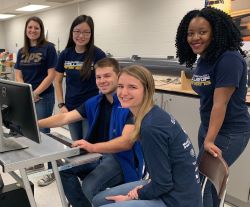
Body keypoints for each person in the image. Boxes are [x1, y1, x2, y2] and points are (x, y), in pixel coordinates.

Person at [74, 65, 202, 207]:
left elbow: (163, 184)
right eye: (121, 86)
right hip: (165, 184)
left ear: (147, 90)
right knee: (99, 200)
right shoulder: (151, 114)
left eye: (132, 87)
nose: (123, 92)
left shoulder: (150, 127)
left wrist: (136, 196)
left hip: (176, 200)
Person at [38, 58, 143, 207]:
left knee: (89, 186)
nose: (102, 81)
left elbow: (126, 142)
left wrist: (92, 147)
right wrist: (36, 124)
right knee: (63, 170)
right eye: (98, 77)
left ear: (118, 76)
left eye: (107, 76)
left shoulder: (128, 103)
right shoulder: (95, 102)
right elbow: (65, 117)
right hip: (96, 155)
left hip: (119, 159)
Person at [175, 7, 250, 207]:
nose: (195, 37)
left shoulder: (229, 58)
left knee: (202, 183)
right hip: (209, 128)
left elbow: (220, 103)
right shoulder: (205, 57)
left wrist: (209, 140)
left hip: (230, 131)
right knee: (207, 184)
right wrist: (207, 134)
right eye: (190, 33)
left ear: (215, 33)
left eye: (202, 32)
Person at [14, 16, 57, 172]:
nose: (33, 30)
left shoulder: (48, 48)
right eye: (30, 27)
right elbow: (18, 73)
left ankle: (52, 169)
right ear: (26, 30)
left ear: (41, 30)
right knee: (31, 130)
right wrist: (25, 91)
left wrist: (35, 92)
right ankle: (38, 162)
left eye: (36, 28)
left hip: (43, 96)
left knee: (44, 131)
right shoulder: (21, 51)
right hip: (28, 97)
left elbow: (51, 75)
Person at [55, 14, 106, 141]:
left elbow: (106, 81)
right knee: (76, 144)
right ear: (72, 32)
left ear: (91, 34)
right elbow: (57, 80)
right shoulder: (65, 54)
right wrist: (61, 105)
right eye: (77, 31)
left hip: (91, 109)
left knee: (88, 146)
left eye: (86, 32)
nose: (81, 36)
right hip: (71, 108)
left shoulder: (98, 55)